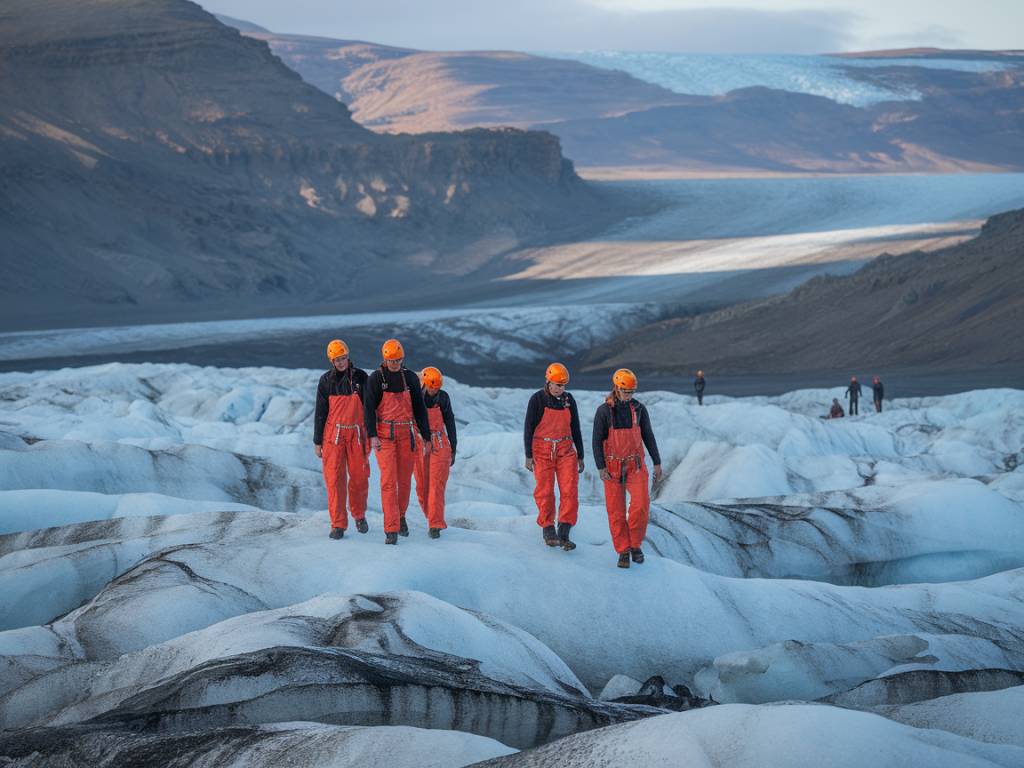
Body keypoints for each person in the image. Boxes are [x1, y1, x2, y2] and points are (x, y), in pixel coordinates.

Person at [593, 369, 663, 569]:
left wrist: (656, 462)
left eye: (631, 392)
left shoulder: (639, 409)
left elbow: (648, 435)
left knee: (641, 506)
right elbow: (596, 441)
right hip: (612, 466)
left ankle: (635, 544)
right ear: (616, 387)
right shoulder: (604, 411)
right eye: (625, 391)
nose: (629, 395)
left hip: (636, 465)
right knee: (616, 511)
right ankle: (623, 550)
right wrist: (601, 467)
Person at [364, 338, 432, 545]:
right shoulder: (375, 379)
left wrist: (426, 436)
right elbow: (368, 408)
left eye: (399, 360)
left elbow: (420, 409)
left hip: (406, 435)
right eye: (392, 361)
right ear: (385, 359)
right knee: (388, 482)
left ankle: (401, 516)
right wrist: (372, 435)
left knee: (404, 482)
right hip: (384, 436)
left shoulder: (410, 378)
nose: (396, 364)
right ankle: (390, 529)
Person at [524, 362, 585, 550]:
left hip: (566, 450)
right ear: (548, 382)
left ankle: (564, 530)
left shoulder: (569, 400)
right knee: (545, 491)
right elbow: (528, 427)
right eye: (557, 384)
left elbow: (575, 427)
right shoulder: (537, 399)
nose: (560, 388)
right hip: (542, 451)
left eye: (563, 385)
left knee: (569, 490)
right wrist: (528, 455)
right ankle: (548, 528)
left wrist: (580, 455)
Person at [313, 339, 370, 539]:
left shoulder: (362, 378)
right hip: (333, 436)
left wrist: (373, 434)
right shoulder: (326, 380)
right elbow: (321, 411)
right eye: (337, 359)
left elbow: (371, 408)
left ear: (348, 356)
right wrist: (317, 441)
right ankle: (338, 524)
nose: (341, 362)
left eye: (343, 358)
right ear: (331, 360)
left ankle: (359, 514)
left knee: (360, 478)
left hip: (357, 435)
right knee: (334, 480)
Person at [413, 366, 457, 539]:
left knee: (436, 485)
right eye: (431, 387)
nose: (434, 390)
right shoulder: (415, 397)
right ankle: (430, 516)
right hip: (420, 444)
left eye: (436, 387)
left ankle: (435, 524)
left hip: (440, 443)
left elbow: (450, 422)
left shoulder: (444, 398)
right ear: (424, 384)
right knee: (422, 486)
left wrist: (453, 447)